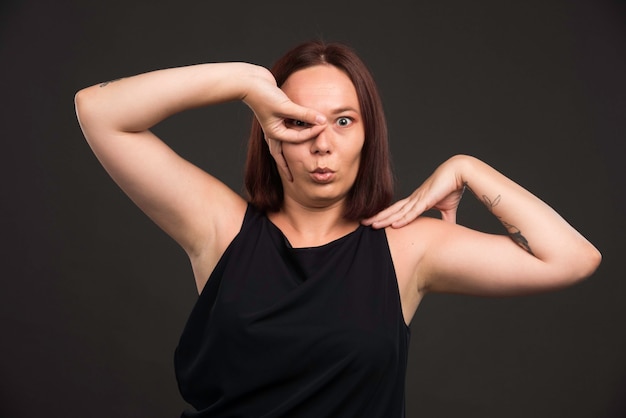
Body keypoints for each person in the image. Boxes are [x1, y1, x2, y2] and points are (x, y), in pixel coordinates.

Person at [74, 40, 601, 417]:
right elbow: (98, 110)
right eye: (301, 121)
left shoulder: (408, 246)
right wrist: (244, 84)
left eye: (344, 121)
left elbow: (573, 258)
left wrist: (470, 168)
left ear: (369, 136)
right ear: (272, 131)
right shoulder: (221, 227)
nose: (322, 143)